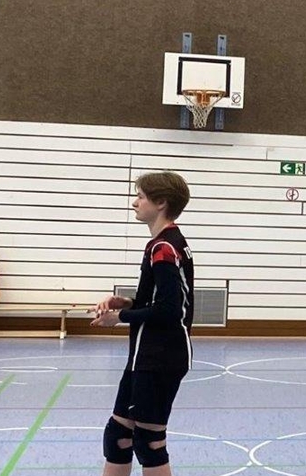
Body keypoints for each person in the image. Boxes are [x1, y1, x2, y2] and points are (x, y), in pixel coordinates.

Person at [90, 172, 194, 476]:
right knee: (118, 436)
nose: (134, 203)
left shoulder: (165, 248)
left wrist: (119, 318)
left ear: (161, 203)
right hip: (145, 355)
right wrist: (126, 303)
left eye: (141, 197)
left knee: (150, 442)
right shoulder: (161, 244)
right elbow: (159, 301)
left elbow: (170, 310)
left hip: (161, 357)